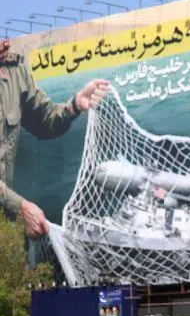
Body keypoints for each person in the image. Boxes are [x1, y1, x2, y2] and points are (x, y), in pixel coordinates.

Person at [0, 39, 109, 238]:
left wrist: (75, 105)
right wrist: (20, 207)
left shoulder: (15, 71)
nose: (6, 44)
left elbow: (45, 121)